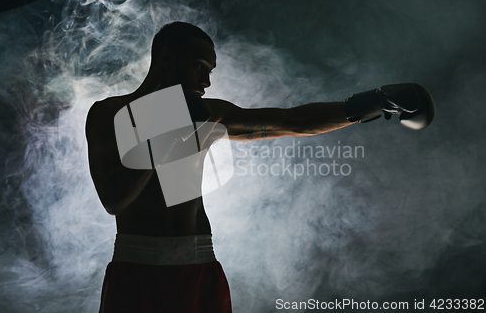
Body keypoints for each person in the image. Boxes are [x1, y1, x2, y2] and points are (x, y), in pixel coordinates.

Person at [85, 21, 434, 312]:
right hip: (137, 270)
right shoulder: (110, 114)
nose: (206, 83)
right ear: (165, 59)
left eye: (210, 71)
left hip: (200, 268)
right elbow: (114, 200)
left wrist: (371, 102)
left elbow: (291, 122)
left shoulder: (209, 115)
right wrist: (167, 127)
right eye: (199, 67)